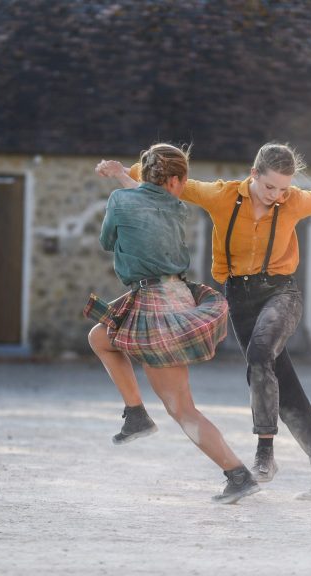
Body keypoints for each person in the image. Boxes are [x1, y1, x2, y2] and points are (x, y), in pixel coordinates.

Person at [97, 142, 311, 500]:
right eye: (270, 187)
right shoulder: (221, 197)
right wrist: (126, 171)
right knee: (279, 381)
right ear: (253, 175)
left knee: (259, 357)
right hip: (239, 298)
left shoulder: (293, 201)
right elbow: (168, 182)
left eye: (284, 188)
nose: (277, 196)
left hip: (281, 294)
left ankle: (263, 454)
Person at [85, 143, 260, 504]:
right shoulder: (178, 208)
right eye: (184, 181)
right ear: (177, 181)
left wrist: (120, 183)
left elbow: (107, 241)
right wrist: (121, 173)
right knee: (101, 336)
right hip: (173, 296)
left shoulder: (121, 200)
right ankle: (135, 413)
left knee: (182, 408)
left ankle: (237, 474)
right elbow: (151, 198)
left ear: (147, 173)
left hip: (154, 303)